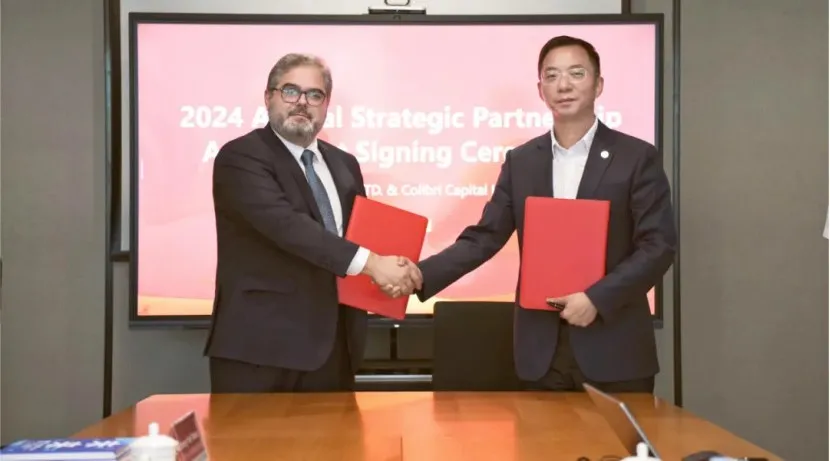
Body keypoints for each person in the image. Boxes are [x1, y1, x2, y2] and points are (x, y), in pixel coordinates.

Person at [399, 36, 676, 393]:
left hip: (615, 346)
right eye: (552, 75)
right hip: (542, 352)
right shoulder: (522, 161)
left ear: (599, 84)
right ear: (541, 90)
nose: (564, 85)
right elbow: (485, 237)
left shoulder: (636, 157)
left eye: (576, 73)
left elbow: (658, 246)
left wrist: (597, 298)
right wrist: (420, 275)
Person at [204, 53, 422, 393]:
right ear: (268, 97)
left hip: (334, 348)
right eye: (291, 91)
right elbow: (287, 227)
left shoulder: (344, 164)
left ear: (326, 104)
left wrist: (395, 273)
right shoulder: (242, 156)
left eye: (315, 94)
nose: (302, 102)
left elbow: (357, 235)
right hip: (261, 350)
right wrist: (375, 264)